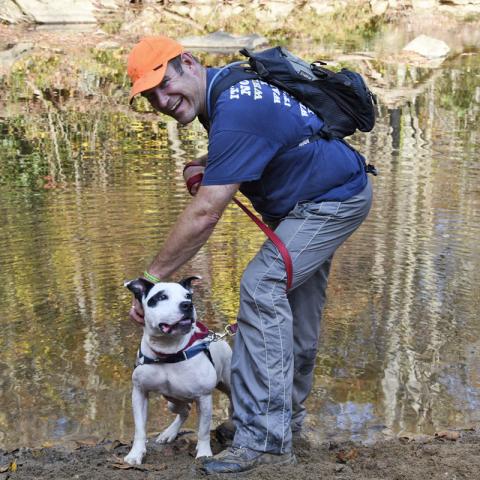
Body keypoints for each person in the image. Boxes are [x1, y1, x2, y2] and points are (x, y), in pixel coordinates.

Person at [126, 35, 373, 474]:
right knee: (294, 311)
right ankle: (281, 423)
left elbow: (205, 214)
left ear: (188, 62)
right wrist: (210, 162)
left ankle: (264, 440)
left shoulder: (235, 109)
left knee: (260, 288)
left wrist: (150, 282)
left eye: (165, 84)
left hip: (329, 201)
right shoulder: (231, 88)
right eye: (150, 96)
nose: (162, 100)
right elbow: (271, 138)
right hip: (313, 200)